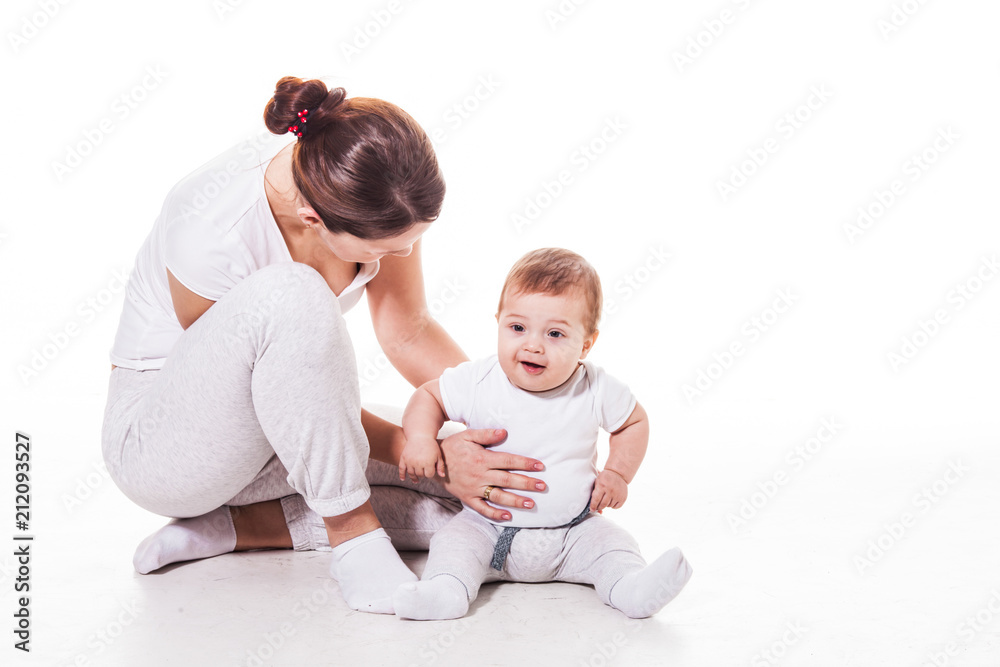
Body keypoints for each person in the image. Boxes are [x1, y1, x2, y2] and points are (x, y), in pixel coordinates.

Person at [101, 76, 548, 615]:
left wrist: (509, 414)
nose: (402, 254)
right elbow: (255, 398)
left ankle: (242, 530)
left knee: (485, 483)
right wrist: (415, 445)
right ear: (313, 219)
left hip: (286, 428)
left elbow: (406, 329)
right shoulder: (209, 225)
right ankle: (352, 536)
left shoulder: (366, 184)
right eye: (388, 249)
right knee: (295, 294)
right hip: (166, 447)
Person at [393, 248, 692, 620]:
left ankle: (630, 588)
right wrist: (421, 439)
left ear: (585, 344)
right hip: (486, 527)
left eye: (554, 334)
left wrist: (617, 473)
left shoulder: (596, 387)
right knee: (453, 545)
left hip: (572, 532)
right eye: (517, 328)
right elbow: (428, 396)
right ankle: (444, 591)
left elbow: (633, 422)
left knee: (612, 544)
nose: (532, 344)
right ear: (498, 322)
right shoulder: (479, 380)